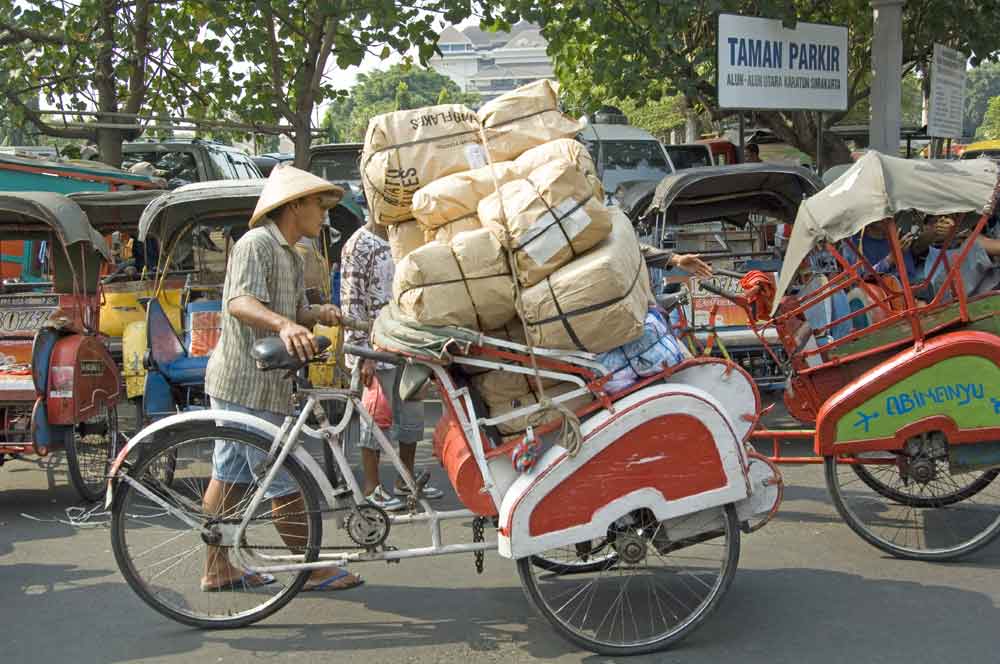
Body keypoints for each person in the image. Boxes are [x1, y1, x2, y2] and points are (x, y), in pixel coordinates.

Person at [201, 164, 363, 592]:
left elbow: (288, 308)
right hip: (245, 382)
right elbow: (241, 302)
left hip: (263, 382)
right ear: (293, 206)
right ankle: (308, 568)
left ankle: (217, 569)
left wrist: (313, 315)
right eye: (317, 205)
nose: (323, 215)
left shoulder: (292, 252)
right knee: (281, 475)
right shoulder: (257, 244)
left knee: (231, 474)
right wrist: (285, 327)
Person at [340, 220, 443, 511]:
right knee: (375, 420)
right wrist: (363, 354)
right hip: (375, 348)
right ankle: (372, 488)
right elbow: (351, 302)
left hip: (407, 346)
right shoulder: (359, 244)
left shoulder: (407, 238)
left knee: (411, 417)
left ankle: (406, 480)